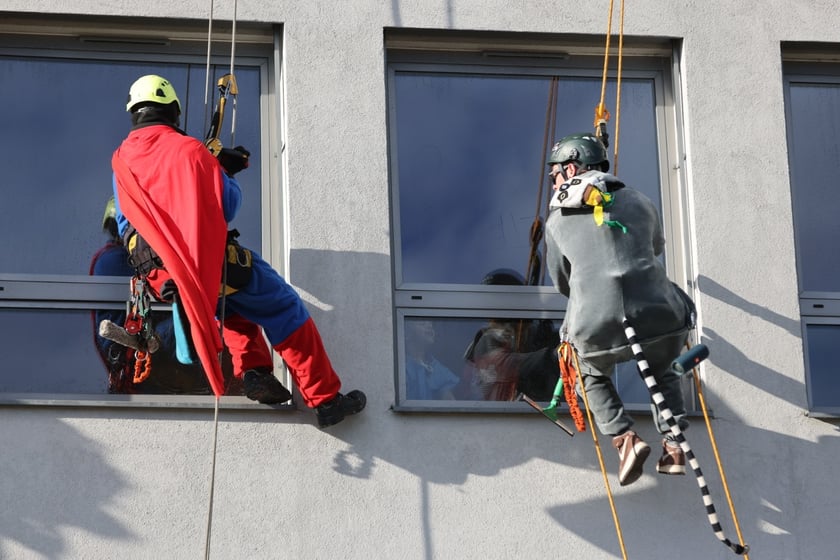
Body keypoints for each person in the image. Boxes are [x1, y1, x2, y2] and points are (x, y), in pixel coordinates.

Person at [110, 74, 366, 427]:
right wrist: (223, 171)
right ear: (172, 110)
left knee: (232, 306)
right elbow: (226, 207)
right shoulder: (190, 151)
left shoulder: (121, 160)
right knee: (283, 307)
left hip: (161, 274)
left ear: (134, 112)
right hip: (204, 263)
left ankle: (256, 372)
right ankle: (325, 399)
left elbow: (128, 224)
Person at [544, 132, 696, 485]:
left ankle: (624, 439)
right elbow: (655, 247)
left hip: (598, 322)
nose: (553, 181)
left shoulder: (556, 220)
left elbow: (562, 283)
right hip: (659, 312)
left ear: (571, 168)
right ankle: (673, 445)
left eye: (555, 174)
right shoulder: (641, 201)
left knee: (584, 369)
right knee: (665, 368)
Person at [91, 196, 249, 396]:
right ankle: (237, 373)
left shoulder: (127, 257)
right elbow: (150, 283)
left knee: (216, 320)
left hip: (155, 346)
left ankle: (241, 372)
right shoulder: (112, 258)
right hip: (138, 349)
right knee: (206, 326)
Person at [462, 269, 560, 402]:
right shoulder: (486, 340)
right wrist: (554, 355)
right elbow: (506, 364)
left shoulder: (532, 335)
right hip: (501, 414)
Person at [404, 319, 459, 400]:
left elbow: (450, 403)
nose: (429, 326)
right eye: (422, 323)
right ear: (406, 334)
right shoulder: (400, 367)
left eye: (431, 323)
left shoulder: (439, 369)